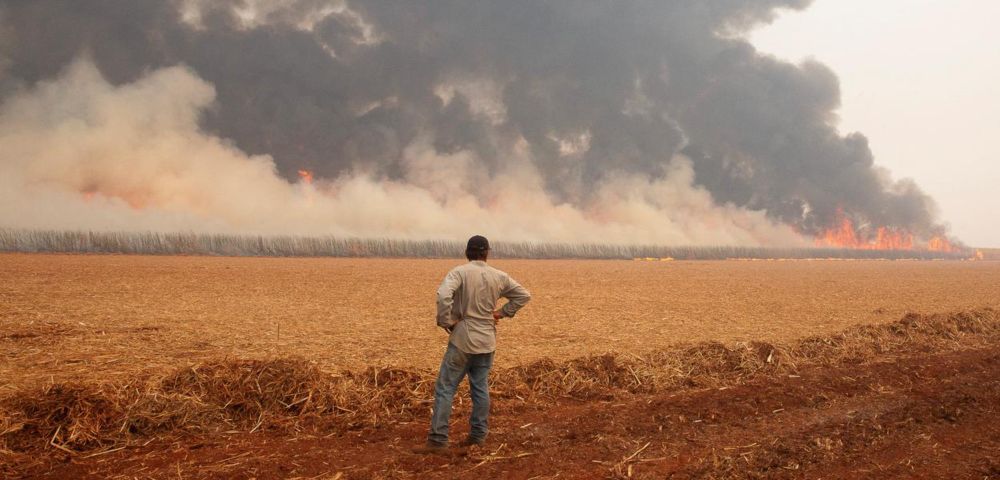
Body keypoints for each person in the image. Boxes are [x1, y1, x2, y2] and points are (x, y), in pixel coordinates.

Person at [414, 235, 531, 454]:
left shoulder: (459, 272)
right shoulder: (499, 276)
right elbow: (524, 295)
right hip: (487, 340)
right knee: (480, 388)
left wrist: (445, 321)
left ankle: (438, 440)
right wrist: (501, 313)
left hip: (463, 339)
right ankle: (478, 436)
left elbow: (443, 294)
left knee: (445, 388)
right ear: (487, 252)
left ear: (467, 252)